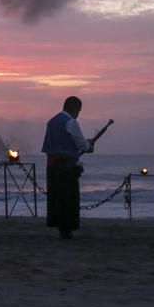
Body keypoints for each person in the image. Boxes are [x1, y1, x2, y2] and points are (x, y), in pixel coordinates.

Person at [41, 96, 95, 240]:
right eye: (79, 111)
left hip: (52, 166)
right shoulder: (71, 122)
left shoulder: (51, 122)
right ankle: (67, 230)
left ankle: (60, 228)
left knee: (57, 198)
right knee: (69, 199)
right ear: (74, 108)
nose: (78, 114)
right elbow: (82, 145)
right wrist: (89, 146)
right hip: (68, 167)